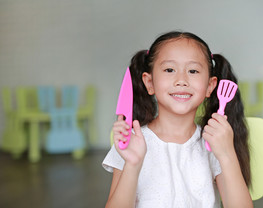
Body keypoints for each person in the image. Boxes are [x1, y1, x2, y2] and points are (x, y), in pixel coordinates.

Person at [102, 31, 253, 208]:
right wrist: (132, 165)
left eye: (193, 71)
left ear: (210, 86)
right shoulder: (132, 142)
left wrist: (227, 154)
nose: (181, 80)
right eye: (169, 70)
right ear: (149, 82)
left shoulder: (214, 143)